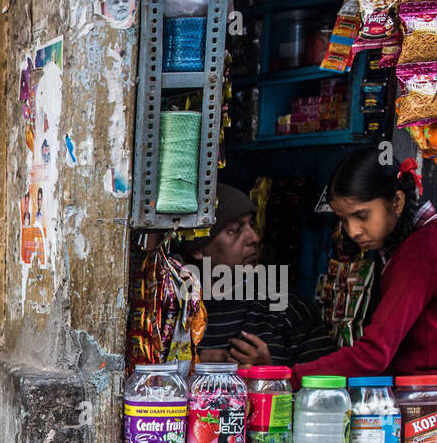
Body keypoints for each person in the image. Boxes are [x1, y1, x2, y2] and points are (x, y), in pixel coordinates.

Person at [284, 148, 437, 381]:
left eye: (362, 216)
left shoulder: (419, 252)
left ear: (396, 202)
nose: (353, 231)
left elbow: (374, 354)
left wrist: (291, 379)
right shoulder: (407, 245)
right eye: (344, 220)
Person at [187, 183, 336, 368]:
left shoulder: (288, 307)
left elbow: (324, 390)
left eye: (252, 225)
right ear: (198, 249)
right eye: (235, 230)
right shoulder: (175, 311)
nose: (254, 238)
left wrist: (267, 373)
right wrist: (192, 369)